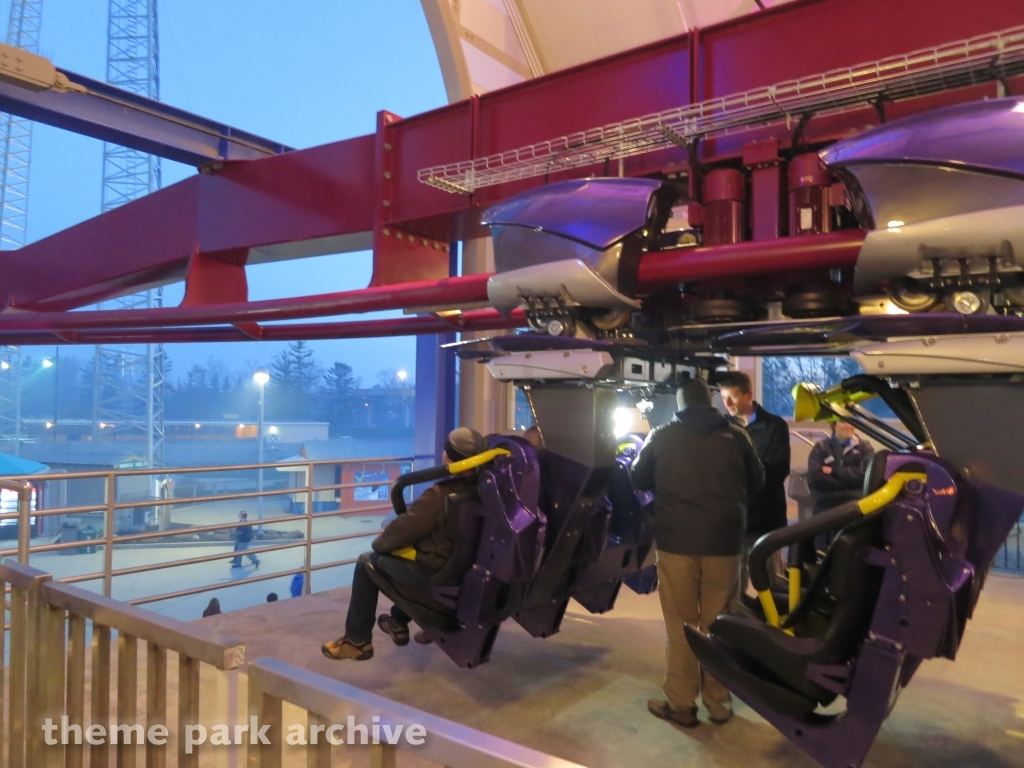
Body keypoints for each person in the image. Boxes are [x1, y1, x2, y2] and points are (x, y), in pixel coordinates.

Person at [632, 378, 763, 727]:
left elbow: (638, 477)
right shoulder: (737, 435)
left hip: (677, 544)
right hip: (725, 543)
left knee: (681, 624)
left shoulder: (661, 435)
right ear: (710, 402)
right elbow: (758, 481)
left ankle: (681, 705)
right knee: (720, 624)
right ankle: (719, 704)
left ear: (680, 403)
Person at [321, 426, 487, 661]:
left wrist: (380, 544)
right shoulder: (483, 491)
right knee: (414, 556)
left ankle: (357, 641)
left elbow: (399, 534)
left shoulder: (440, 495)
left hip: (436, 575)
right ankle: (398, 621)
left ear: (447, 456)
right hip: (462, 571)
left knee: (367, 564)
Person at [717, 370, 791, 594]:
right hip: (734, 522)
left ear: (749, 395)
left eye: (733, 396)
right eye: (723, 397)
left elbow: (778, 469)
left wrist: (740, 473)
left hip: (765, 520)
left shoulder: (775, 426)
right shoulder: (721, 428)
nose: (727, 403)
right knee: (732, 591)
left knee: (772, 588)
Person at [807, 422, 875, 553]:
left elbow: (867, 475)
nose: (850, 426)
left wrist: (834, 471)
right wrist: (850, 482)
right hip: (826, 508)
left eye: (851, 421)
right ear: (833, 424)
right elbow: (816, 479)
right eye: (844, 422)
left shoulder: (864, 447)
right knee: (822, 555)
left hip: (855, 509)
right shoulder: (820, 448)